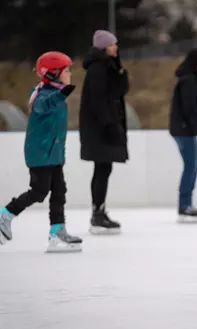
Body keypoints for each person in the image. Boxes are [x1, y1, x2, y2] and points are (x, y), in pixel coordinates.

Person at [0, 51, 82, 252]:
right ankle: (6, 214)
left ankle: (57, 231)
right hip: (40, 155)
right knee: (39, 192)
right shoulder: (42, 95)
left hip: (53, 154)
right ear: (53, 73)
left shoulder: (53, 93)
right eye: (66, 70)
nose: (70, 73)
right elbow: (42, 107)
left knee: (59, 191)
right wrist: (61, 94)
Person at [79, 30, 129, 235]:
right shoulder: (97, 70)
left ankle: (99, 211)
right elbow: (98, 101)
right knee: (102, 170)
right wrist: (109, 125)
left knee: (104, 169)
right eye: (113, 44)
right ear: (103, 47)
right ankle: (97, 214)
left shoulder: (107, 67)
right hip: (100, 129)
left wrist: (120, 69)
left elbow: (120, 91)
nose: (116, 47)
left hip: (105, 126)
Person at [169, 47, 197, 223]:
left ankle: (186, 204)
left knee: (193, 165)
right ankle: (184, 205)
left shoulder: (192, 78)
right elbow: (189, 108)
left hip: (184, 128)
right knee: (191, 165)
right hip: (184, 129)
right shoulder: (190, 80)